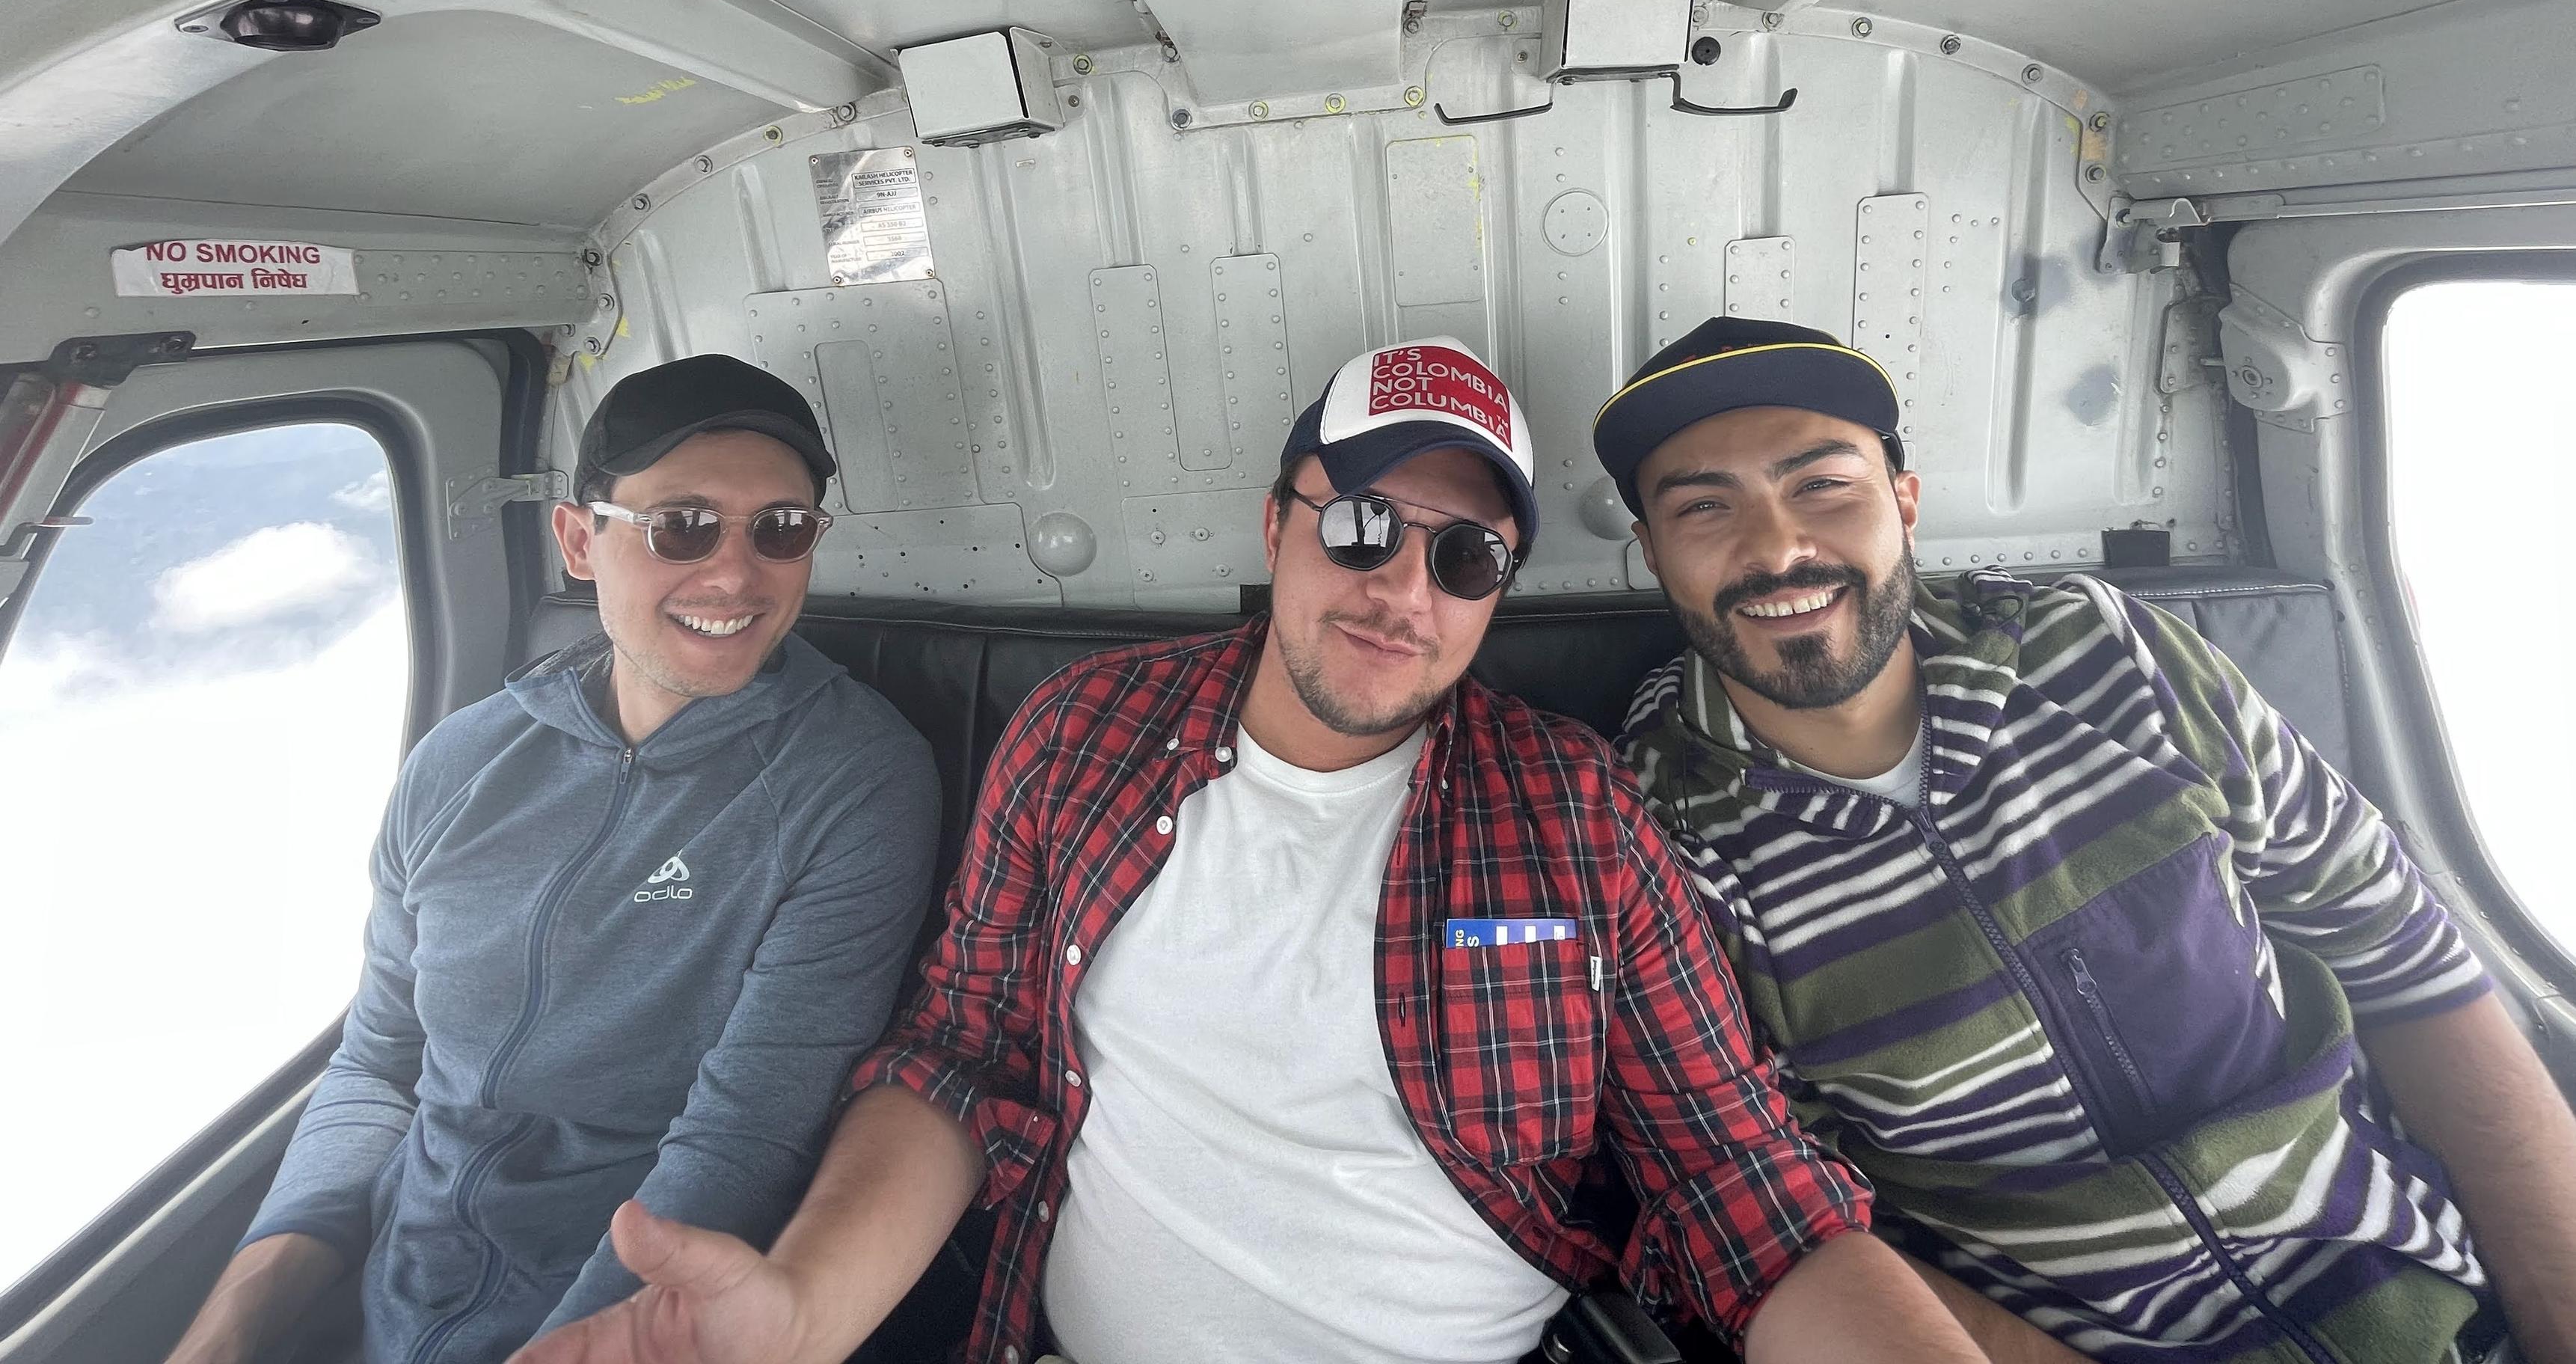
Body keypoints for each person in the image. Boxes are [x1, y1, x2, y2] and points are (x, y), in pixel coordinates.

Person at [513, 337, 1987, 1364]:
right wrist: (807, 1312)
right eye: (1358, 522)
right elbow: (963, 1057)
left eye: (1464, 554)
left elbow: (1750, 1192)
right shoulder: (1085, 736)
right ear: (1276, 520)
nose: (1403, 586)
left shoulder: (1579, 812)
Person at [1591, 314, 2576, 1364]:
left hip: (2431, 1301)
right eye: (1704, 507)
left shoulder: (2102, 653)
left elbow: (2401, 955)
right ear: (1652, 555)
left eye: (1824, 485)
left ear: (1906, 504)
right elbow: (1799, 1212)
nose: (1779, 547)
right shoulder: (1655, 823)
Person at [168, 355, 940, 1364]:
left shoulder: (855, 781)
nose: (736, 574)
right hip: (388, 1295)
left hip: (625, 1314)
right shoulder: (459, 764)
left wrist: (579, 1341)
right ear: (580, 540)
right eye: (684, 525)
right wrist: (240, 1313)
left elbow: (748, 1135)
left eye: (781, 530)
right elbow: (381, 1063)